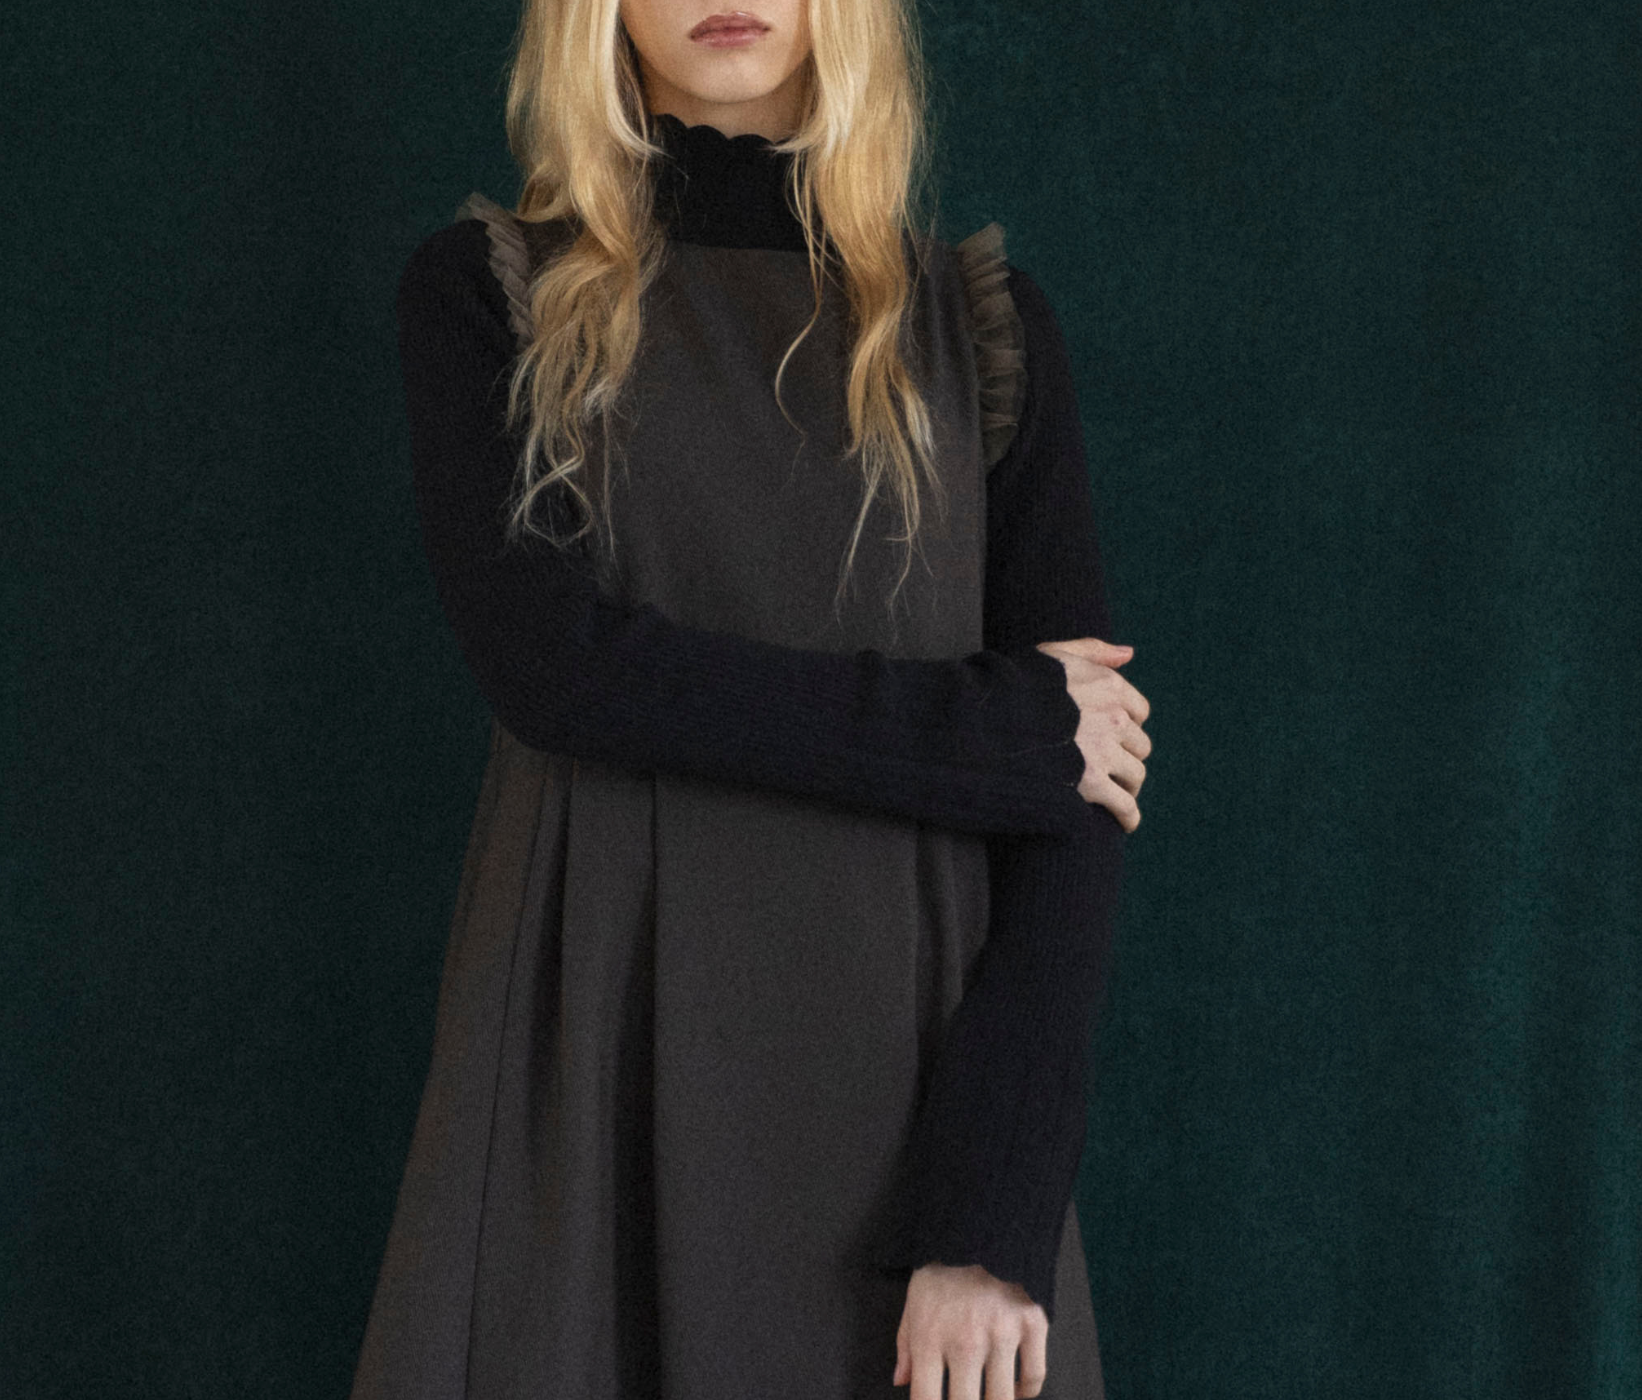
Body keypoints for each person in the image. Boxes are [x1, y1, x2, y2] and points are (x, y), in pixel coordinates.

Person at [349, 2, 1151, 1396]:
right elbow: (561, 675)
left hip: (914, 1115)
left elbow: (1082, 807)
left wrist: (989, 1218)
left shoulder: (981, 331)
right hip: (597, 1088)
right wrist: (994, 730)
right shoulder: (490, 295)